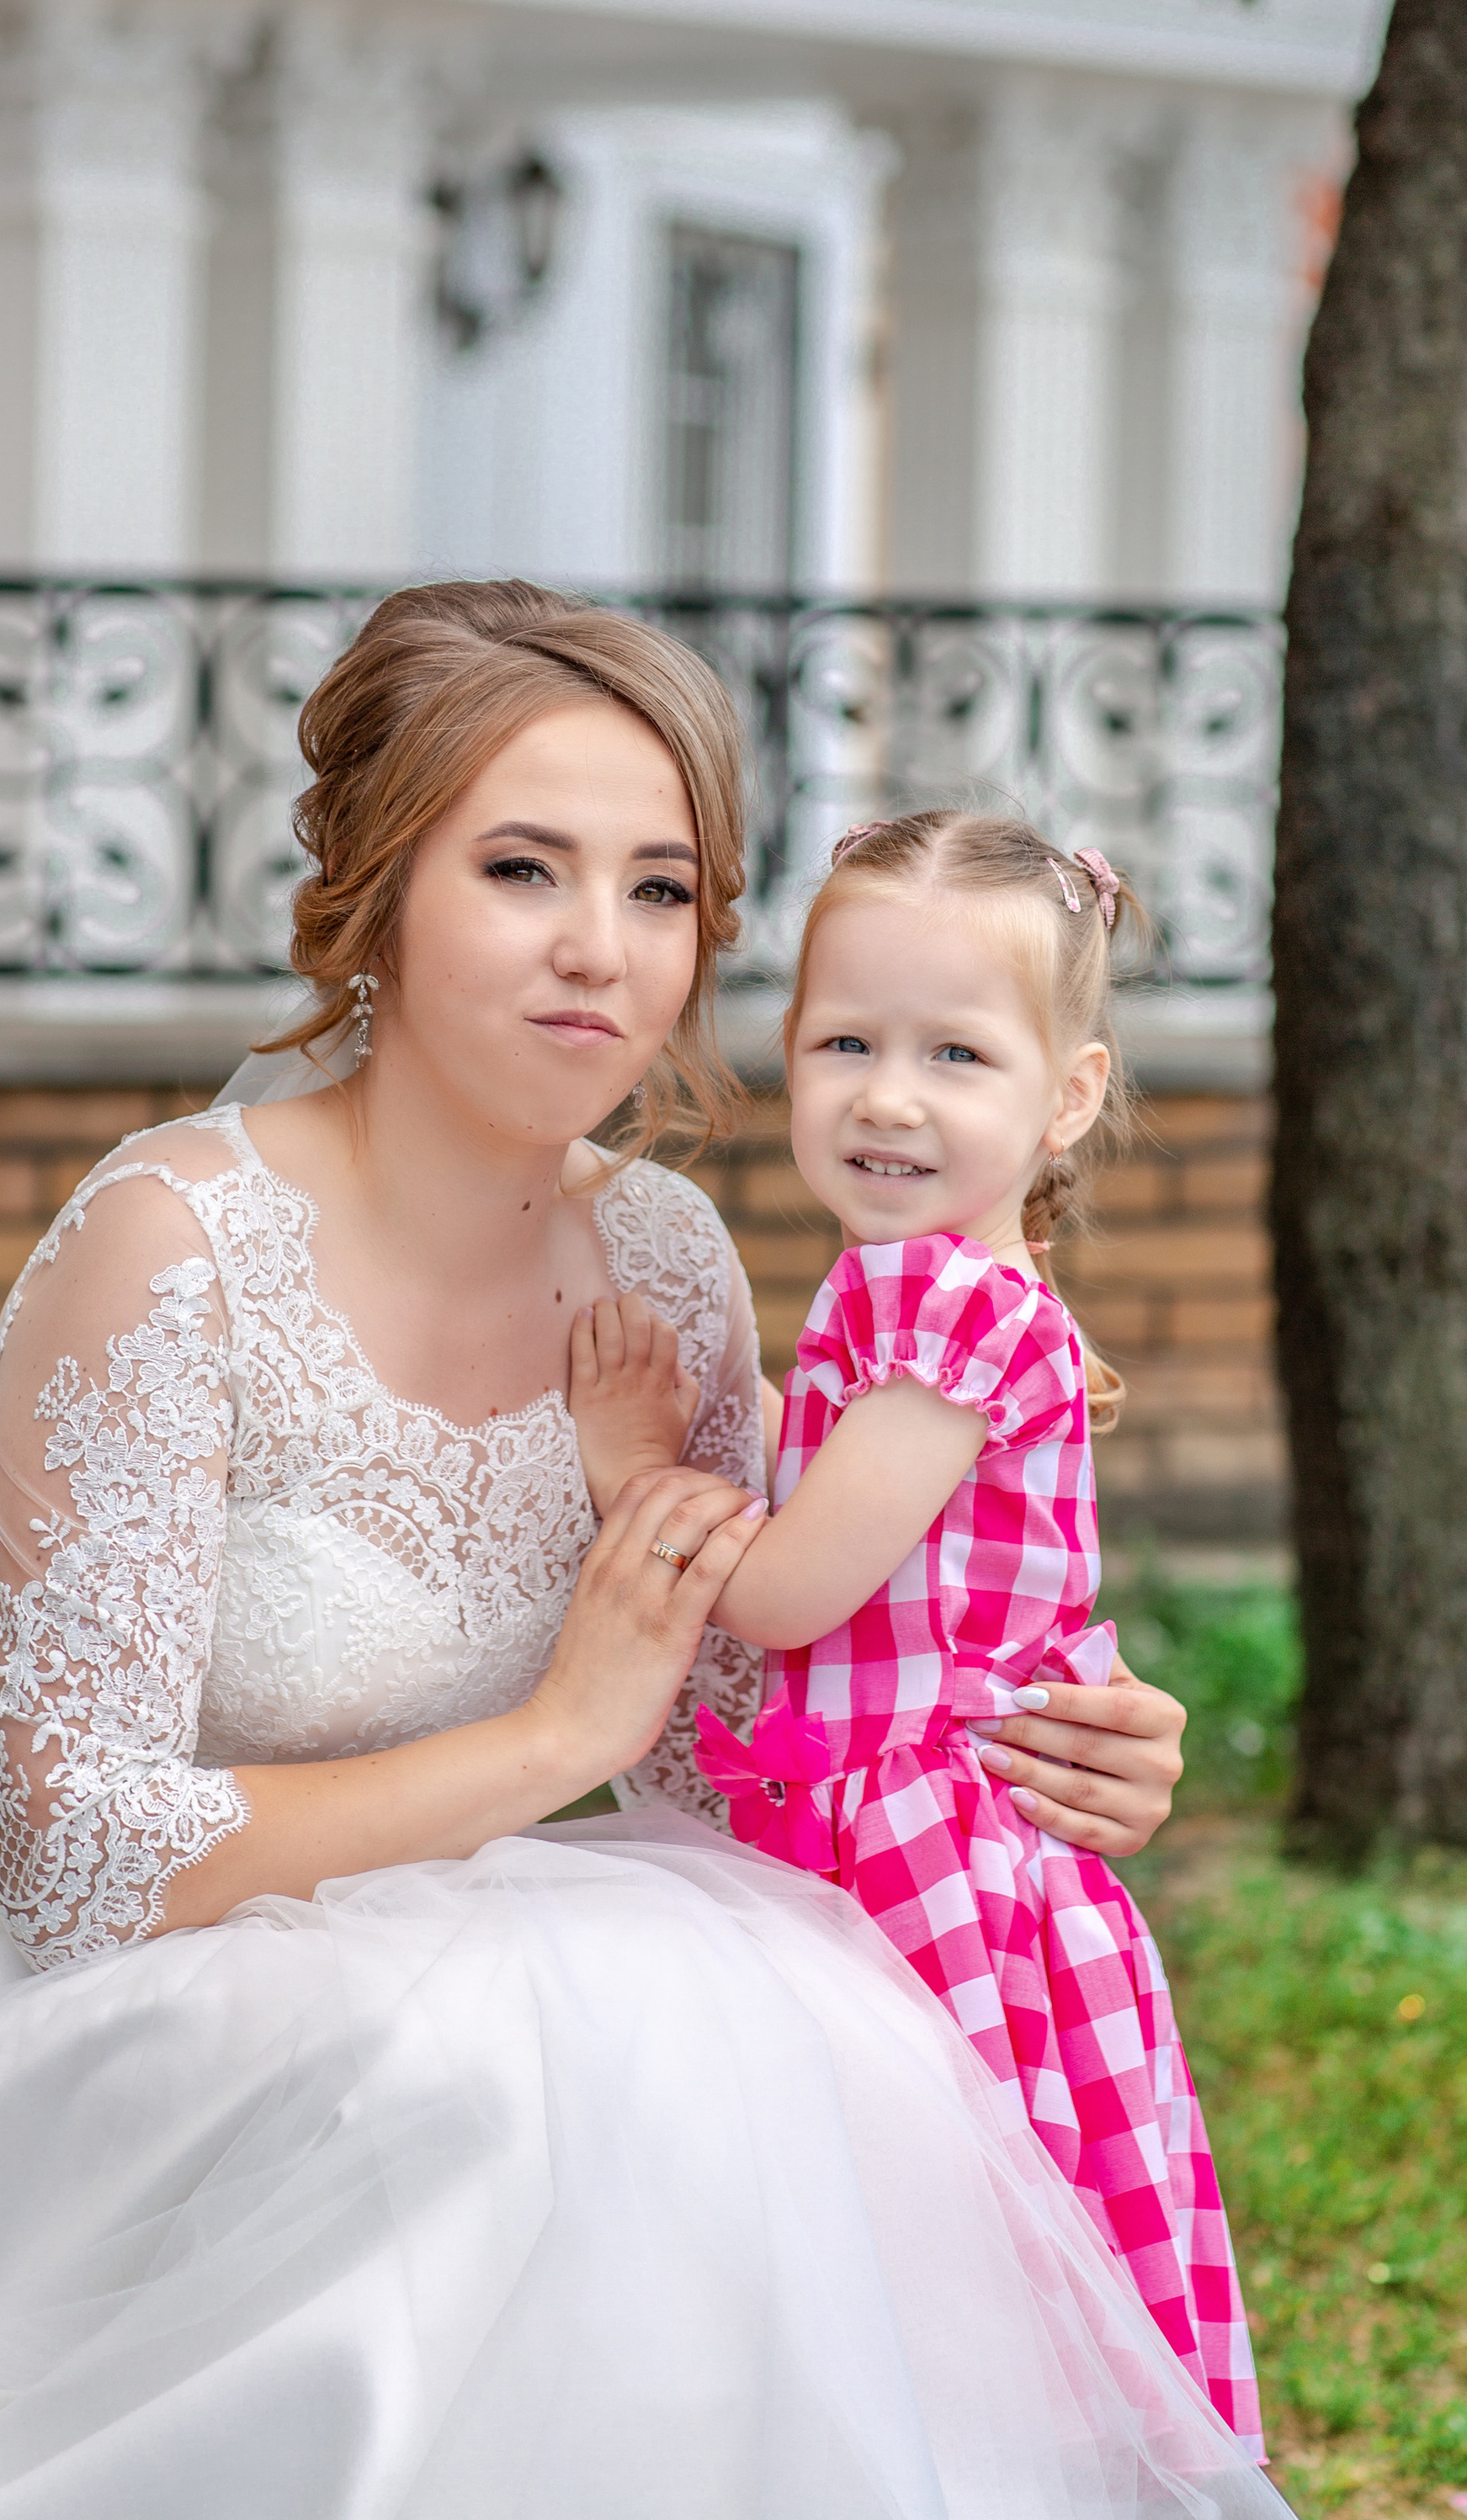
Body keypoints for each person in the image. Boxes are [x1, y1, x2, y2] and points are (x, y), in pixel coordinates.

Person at [0, 582, 1271, 2520]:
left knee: (755, 2028)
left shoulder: (659, 1261)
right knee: (501, 2084)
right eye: (519, 869)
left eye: (661, 890)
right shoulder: (171, 1246)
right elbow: (74, 1868)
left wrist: (1041, 1727)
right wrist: (541, 1745)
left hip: (443, 1933)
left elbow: (727, 1729)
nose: (600, 950)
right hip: (74, 1985)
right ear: (381, 894)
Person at [574, 812, 1260, 2454]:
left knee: (929, 2240)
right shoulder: (923, 1281)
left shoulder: (942, 1298)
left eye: (955, 1053)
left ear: (1068, 1094)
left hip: (922, 1848)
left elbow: (799, 1589)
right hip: (915, 1814)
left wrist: (628, 1471)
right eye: (844, 1043)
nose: (887, 1096)